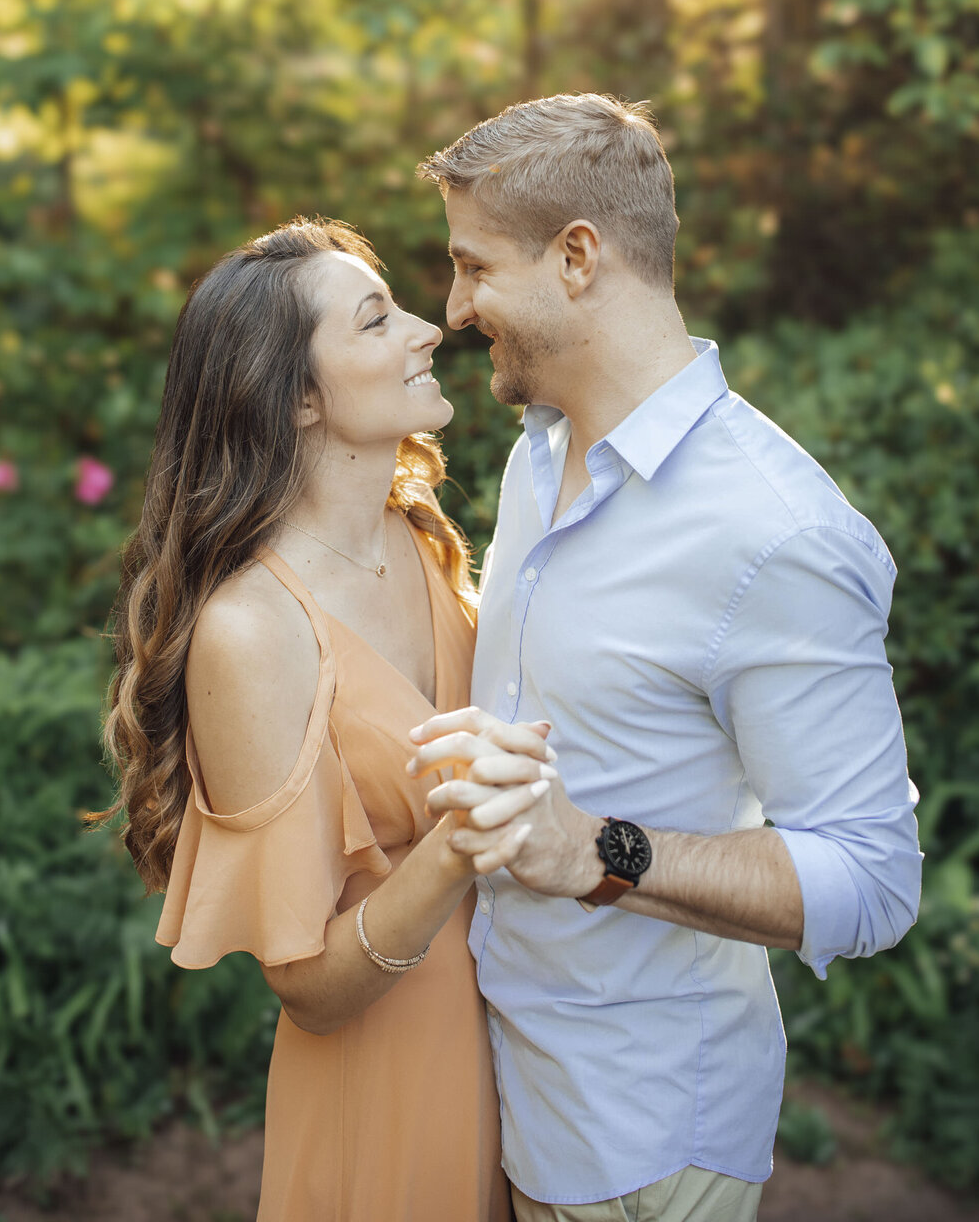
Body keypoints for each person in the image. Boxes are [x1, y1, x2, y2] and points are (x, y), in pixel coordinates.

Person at [408, 94, 923, 1222]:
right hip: (499, 1087)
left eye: (471, 267)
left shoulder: (777, 532)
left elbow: (873, 881)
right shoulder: (538, 458)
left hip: (644, 1144)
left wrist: (595, 847)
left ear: (578, 257)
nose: (451, 309)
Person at [100, 217, 553, 1222]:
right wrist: (456, 846)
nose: (430, 328)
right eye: (377, 319)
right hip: (386, 1088)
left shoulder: (422, 539)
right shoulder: (249, 632)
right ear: (301, 397)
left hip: (525, 1055)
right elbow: (307, 983)